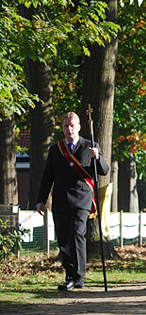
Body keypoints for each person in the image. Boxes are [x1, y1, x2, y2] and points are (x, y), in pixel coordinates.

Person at [36, 112, 109, 291]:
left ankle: (79, 276)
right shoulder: (56, 149)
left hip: (82, 200)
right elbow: (48, 177)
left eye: (72, 125)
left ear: (78, 127)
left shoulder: (90, 146)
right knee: (63, 239)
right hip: (60, 201)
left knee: (77, 234)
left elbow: (104, 171)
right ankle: (69, 275)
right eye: (66, 126)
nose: (69, 129)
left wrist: (97, 157)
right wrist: (41, 200)